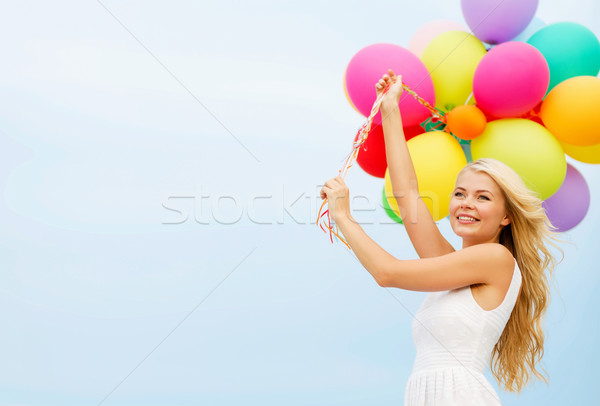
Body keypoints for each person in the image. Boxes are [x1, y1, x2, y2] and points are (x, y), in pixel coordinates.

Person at [320, 69, 561, 405]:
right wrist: (391, 111)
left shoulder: (496, 260)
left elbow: (387, 273)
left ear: (507, 216)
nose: (467, 204)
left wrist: (343, 217)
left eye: (483, 197)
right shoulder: (453, 267)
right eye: (460, 193)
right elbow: (406, 195)